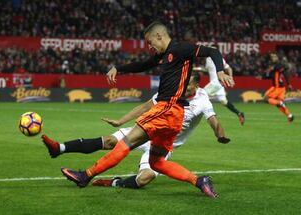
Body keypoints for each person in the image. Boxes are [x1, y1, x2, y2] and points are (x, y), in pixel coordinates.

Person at [57, 21, 234, 198]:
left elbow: (213, 51)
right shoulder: (164, 55)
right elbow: (143, 64)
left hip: (166, 109)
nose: (150, 46)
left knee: (125, 143)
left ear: (159, 36)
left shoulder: (181, 49)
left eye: (150, 42)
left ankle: (85, 176)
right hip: (176, 115)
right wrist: (118, 68)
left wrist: (219, 71)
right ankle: (199, 181)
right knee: (156, 162)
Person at [42, 72, 230, 189]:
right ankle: (59, 148)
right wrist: (120, 121)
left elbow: (213, 121)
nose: (183, 87)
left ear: (196, 86)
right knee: (109, 141)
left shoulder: (203, 101)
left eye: (187, 85)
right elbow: (145, 107)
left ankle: (113, 182)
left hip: (162, 144)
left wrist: (220, 135)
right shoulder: (173, 90)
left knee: (145, 178)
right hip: (146, 130)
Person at [204, 55, 245, 125]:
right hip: (218, 83)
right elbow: (208, 69)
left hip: (216, 83)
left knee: (201, 95)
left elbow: (229, 68)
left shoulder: (214, 58)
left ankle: (209, 114)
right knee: (224, 101)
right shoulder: (211, 59)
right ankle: (239, 113)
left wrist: (231, 78)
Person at [264, 53, 294, 122]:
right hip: (280, 87)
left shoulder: (279, 65)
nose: (273, 58)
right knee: (278, 105)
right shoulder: (273, 65)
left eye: (274, 56)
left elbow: (286, 71)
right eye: (272, 56)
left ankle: (280, 103)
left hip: (277, 87)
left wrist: (289, 84)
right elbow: (271, 75)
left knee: (266, 99)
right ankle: (290, 116)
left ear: (277, 57)